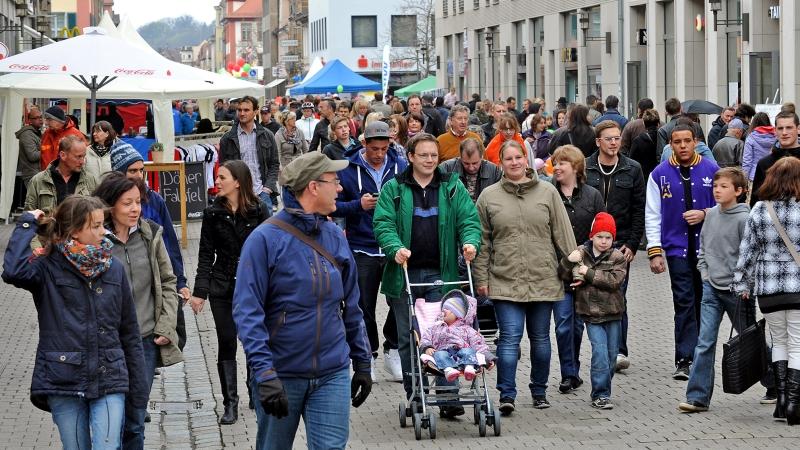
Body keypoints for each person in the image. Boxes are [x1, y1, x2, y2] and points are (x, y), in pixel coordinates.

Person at [232, 152, 373, 449]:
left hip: (332, 371)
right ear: (312, 186)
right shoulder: (264, 240)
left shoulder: (335, 236)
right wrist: (265, 373)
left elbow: (351, 307)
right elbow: (247, 313)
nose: (339, 189)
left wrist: (362, 362)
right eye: (334, 182)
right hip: (281, 374)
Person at [2, 196, 147, 450]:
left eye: (103, 224)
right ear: (75, 230)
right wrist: (27, 224)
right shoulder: (47, 267)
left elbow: (129, 332)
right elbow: (13, 271)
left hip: (110, 374)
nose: (104, 232)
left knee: (108, 446)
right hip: (64, 377)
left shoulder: (113, 269)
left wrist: (138, 386)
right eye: (96, 226)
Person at [373, 133, 482, 416]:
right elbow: (383, 223)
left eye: (434, 155)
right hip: (405, 275)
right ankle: (416, 396)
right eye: (423, 155)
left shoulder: (451, 186)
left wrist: (470, 242)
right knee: (411, 338)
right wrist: (394, 248)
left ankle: (448, 398)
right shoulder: (394, 188)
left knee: (447, 334)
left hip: (441, 274)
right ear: (410, 156)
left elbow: (468, 219)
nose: (430, 160)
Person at [473, 140, 577, 414]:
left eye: (519, 157)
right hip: (505, 278)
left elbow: (563, 234)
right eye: (509, 159)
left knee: (541, 339)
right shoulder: (489, 196)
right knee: (509, 338)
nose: (515, 162)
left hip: (543, 277)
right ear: (501, 163)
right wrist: (480, 277)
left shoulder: (548, 192)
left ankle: (539, 390)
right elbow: (482, 242)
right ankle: (507, 394)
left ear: (527, 160)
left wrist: (575, 269)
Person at [93, 173, 182, 449]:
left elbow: (168, 281)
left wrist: (166, 325)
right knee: (109, 424)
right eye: (127, 203)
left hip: (142, 341)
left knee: (135, 421)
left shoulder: (150, 234)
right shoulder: (94, 239)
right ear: (110, 206)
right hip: (105, 344)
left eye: (137, 202)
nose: (135, 209)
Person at [189, 161, 268, 425]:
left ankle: (254, 391)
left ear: (237, 181)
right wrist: (200, 291)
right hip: (221, 286)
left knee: (253, 340)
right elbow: (204, 255)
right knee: (226, 340)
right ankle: (230, 403)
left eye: (222, 177)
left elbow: (271, 251)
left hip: (252, 287)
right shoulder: (212, 213)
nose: (217, 181)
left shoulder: (259, 211)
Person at [330, 121, 408, 382]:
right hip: (361, 244)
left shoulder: (399, 165)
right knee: (363, 305)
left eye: (384, 149)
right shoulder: (348, 167)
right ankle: (368, 355)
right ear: (364, 144)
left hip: (393, 244)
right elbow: (333, 206)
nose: (379, 154)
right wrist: (358, 205)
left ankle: (393, 349)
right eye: (374, 149)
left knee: (400, 299)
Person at [645, 124, 719, 380]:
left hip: (707, 252)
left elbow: (727, 207)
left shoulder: (712, 170)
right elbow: (652, 214)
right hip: (677, 250)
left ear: (696, 142)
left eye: (688, 141)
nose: (683, 146)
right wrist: (655, 251)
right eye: (678, 142)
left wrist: (705, 214)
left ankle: (703, 355)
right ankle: (685, 358)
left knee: (705, 302)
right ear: (670, 145)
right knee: (684, 302)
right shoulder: (659, 174)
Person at [678, 167, 754, 413]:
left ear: (739, 191)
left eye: (724, 187)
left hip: (737, 291)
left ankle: (776, 384)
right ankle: (697, 397)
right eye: (715, 187)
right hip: (711, 287)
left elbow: (751, 255)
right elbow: (703, 247)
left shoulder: (745, 219)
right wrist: (704, 273)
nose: (717, 191)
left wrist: (745, 285)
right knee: (704, 342)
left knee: (750, 339)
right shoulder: (710, 215)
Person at [733, 157, 800, 425]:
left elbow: (747, 251)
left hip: (768, 289)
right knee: (797, 343)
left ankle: (782, 400)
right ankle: (794, 403)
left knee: (779, 341)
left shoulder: (760, 209)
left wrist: (742, 284)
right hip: (797, 287)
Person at [110, 145, 190, 353]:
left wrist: (181, 281)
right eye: (132, 171)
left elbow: (170, 245)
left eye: (141, 170)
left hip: (151, 282)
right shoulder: (104, 207)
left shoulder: (154, 200)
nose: (138, 175)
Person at [551, 144, 605, 393]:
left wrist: (582, 260)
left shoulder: (592, 195)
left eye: (562, 163)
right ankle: (569, 373)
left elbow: (600, 232)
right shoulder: (549, 193)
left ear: (575, 167)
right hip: (558, 271)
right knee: (563, 324)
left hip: (585, 270)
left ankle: (576, 368)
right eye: (555, 162)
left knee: (577, 325)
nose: (557, 167)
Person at [559, 212, 627, 409]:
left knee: (612, 356)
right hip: (590, 314)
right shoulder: (582, 253)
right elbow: (563, 274)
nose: (604, 242)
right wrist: (569, 260)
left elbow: (614, 282)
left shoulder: (618, 257)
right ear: (592, 236)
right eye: (600, 237)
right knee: (599, 352)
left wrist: (587, 273)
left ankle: (604, 385)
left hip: (613, 313)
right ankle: (600, 394)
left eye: (608, 238)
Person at [219, 95, 279, 214]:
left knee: (265, 231)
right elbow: (223, 169)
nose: (242, 113)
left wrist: (267, 189)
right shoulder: (227, 138)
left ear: (256, 111)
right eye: (239, 110)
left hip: (262, 193)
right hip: (238, 195)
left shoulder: (267, 135)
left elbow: (274, 164)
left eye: (246, 110)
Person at [420, 290, 494, 382]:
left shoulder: (467, 329)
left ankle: (469, 367)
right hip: (444, 353)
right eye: (443, 308)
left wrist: (488, 358)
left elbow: (478, 344)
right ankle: (448, 370)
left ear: (457, 314)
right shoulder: (435, 327)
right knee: (439, 354)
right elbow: (425, 338)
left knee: (468, 351)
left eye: (448, 309)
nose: (443, 310)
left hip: (462, 354)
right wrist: (427, 347)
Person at [25, 135, 97, 213]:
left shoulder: (90, 180)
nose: (82, 162)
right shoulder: (38, 181)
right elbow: (28, 216)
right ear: (63, 155)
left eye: (84, 157)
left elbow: (97, 212)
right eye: (78, 157)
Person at [751, 111, 800, 205]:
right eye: (780, 128)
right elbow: (756, 201)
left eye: (789, 128)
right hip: (771, 218)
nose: (784, 132)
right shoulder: (764, 163)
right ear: (775, 130)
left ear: (798, 129)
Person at [438, 137, 502, 203]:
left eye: (475, 163)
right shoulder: (446, 169)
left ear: (482, 157)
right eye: (466, 163)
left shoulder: (494, 172)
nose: (471, 168)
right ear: (460, 157)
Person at [742, 112, 776, 182]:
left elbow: (747, 161)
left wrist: (744, 179)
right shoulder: (776, 136)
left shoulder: (751, 137)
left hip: (755, 175)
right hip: (773, 174)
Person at [629, 109, 662, 180]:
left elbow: (631, 161)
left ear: (644, 123)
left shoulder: (638, 140)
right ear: (658, 123)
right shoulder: (664, 138)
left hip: (643, 178)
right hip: (660, 176)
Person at [16, 106, 43, 187]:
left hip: (38, 174)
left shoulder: (36, 132)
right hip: (32, 176)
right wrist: (48, 151)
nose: (40, 119)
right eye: (36, 118)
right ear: (30, 120)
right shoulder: (27, 134)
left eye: (41, 117)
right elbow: (32, 156)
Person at [84, 120, 116, 185]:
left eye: (98, 131)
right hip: (89, 193)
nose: (94, 134)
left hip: (108, 192)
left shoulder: (115, 152)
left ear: (107, 134)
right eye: (94, 131)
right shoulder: (86, 151)